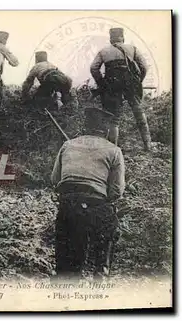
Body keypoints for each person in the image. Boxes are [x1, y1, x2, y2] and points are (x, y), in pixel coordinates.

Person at [51, 107, 125, 280]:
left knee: (66, 264)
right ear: (105, 129)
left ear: (84, 126)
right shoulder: (114, 151)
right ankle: (101, 272)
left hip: (68, 206)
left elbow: (55, 179)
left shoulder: (68, 145)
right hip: (97, 206)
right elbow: (116, 191)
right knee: (108, 230)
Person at [90, 27, 151, 151]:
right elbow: (144, 67)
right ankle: (148, 145)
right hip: (131, 85)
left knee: (114, 118)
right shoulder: (132, 49)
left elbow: (93, 68)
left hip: (112, 86)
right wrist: (138, 81)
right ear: (122, 37)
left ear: (111, 38)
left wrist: (102, 83)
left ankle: (113, 149)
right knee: (139, 113)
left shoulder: (104, 51)